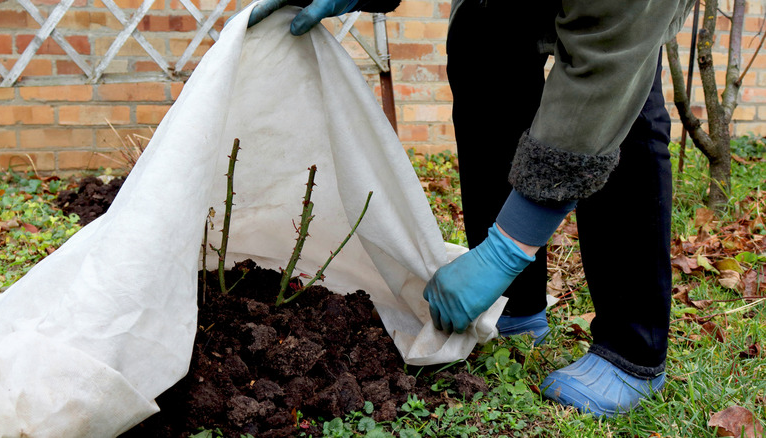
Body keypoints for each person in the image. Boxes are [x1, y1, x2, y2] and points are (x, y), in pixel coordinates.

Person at [242, 0, 693, 417]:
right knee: (481, 39)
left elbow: (604, 71)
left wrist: (507, 250)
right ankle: (516, 306)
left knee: (622, 102)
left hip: (622, 13)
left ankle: (632, 351)